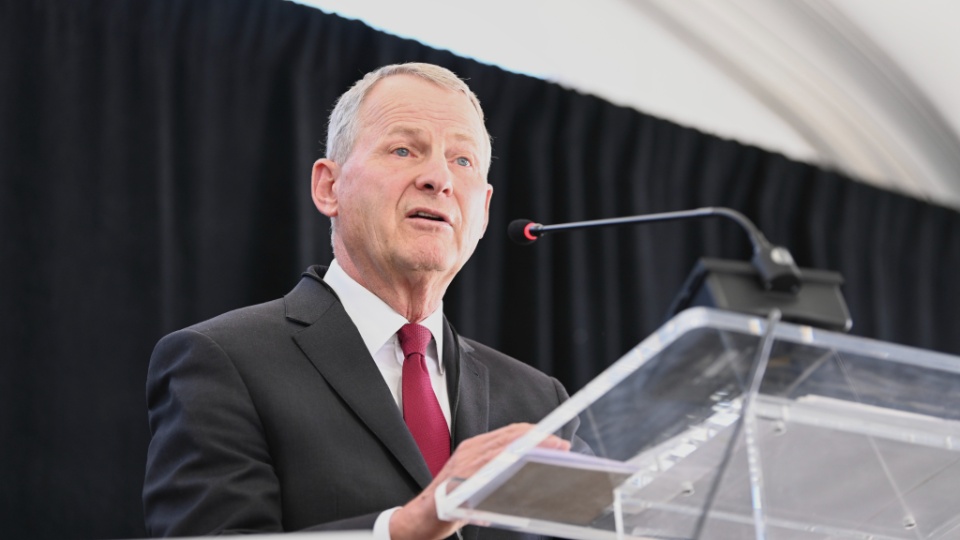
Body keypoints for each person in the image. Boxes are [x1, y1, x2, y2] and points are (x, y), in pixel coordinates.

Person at [143, 63, 579, 539]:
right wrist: (403, 529)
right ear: (329, 187)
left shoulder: (540, 402)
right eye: (403, 149)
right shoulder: (223, 361)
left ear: (485, 210)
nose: (439, 178)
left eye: (463, 160)